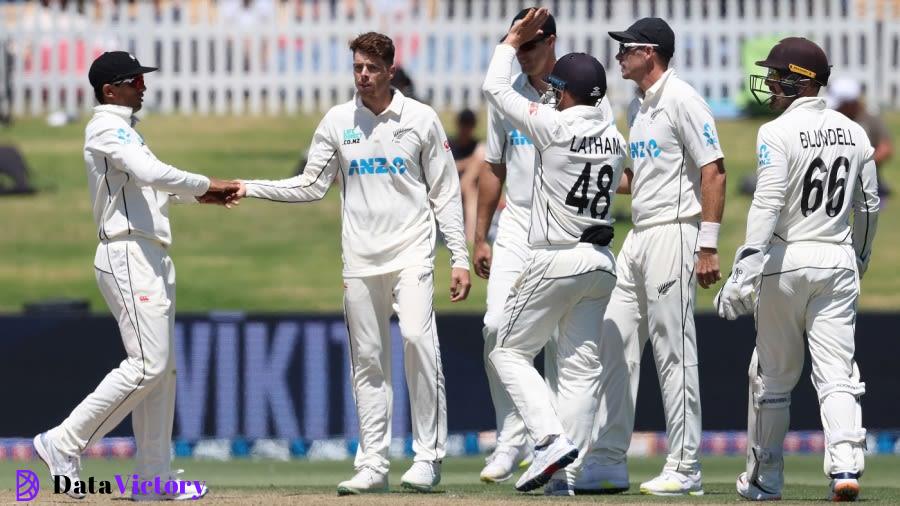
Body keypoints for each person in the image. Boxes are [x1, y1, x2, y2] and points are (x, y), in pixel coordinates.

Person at [230, 32, 470, 495]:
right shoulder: (339, 121)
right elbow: (311, 185)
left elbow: (445, 192)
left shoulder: (420, 119)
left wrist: (458, 255)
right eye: (357, 67)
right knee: (368, 361)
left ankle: (427, 457)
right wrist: (251, 185)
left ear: (390, 71)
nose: (363, 76)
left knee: (419, 340)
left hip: (412, 252)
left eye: (371, 68)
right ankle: (374, 463)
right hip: (360, 259)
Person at [32, 51, 239, 501]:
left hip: (150, 254)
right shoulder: (106, 127)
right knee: (147, 365)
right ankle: (63, 441)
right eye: (134, 80)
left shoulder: (127, 131)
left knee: (162, 372)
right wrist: (206, 184)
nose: (143, 87)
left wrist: (195, 199)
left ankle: (153, 477)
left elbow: (147, 186)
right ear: (111, 90)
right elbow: (151, 173)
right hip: (126, 253)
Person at [717, 37, 879, 502]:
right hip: (838, 261)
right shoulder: (855, 132)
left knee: (771, 377)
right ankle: (846, 466)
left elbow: (767, 203)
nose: (768, 84)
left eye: (774, 76)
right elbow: (868, 206)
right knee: (838, 373)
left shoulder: (776, 133)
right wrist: (861, 258)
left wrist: (743, 271)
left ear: (796, 81)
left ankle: (766, 478)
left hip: (785, 262)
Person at [482, 8, 628, 495]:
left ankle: (546, 440)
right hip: (602, 264)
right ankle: (563, 477)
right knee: (579, 369)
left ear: (566, 93)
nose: (551, 94)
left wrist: (509, 44)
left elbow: (496, 92)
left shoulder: (553, 126)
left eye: (557, 89)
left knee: (506, 348)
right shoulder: (614, 139)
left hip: (557, 258)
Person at [592, 17, 727, 496]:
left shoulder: (683, 99)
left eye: (626, 47)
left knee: (675, 349)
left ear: (650, 52)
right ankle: (607, 460)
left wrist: (707, 244)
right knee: (615, 339)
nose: (619, 55)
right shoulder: (636, 104)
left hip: (676, 231)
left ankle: (686, 466)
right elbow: (636, 177)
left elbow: (714, 171)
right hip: (640, 235)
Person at [827, 77, 893, 202]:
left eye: (840, 105)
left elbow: (886, 148)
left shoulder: (870, 119)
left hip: (867, 184)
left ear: (851, 103)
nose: (836, 108)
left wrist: (861, 164)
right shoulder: (831, 119)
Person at [448, 108, 484, 243]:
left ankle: (469, 239)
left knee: (470, 189)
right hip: (449, 185)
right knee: (478, 158)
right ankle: (469, 238)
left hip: (467, 189)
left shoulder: (475, 145)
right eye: (464, 124)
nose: (466, 128)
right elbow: (449, 167)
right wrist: (469, 162)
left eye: (469, 124)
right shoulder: (450, 144)